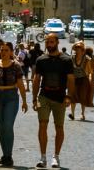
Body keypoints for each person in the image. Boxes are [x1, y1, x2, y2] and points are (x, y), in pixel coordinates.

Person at [32, 32, 75, 170]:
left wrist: (69, 96)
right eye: (47, 42)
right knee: (42, 125)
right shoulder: (41, 60)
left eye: (51, 42)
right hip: (43, 96)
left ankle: (56, 156)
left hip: (60, 97)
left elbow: (70, 80)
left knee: (59, 127)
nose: (49, 44)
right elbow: (36, 79)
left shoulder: (66, 60)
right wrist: (34, 98)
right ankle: (43, 156)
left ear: (57, 43)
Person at [0, 40, 29, 167]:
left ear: (11, 52)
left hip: (11, 97)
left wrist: (24, 101)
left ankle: (9, 156)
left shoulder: (16, 66)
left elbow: (20, 84)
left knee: (8, 126)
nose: (3, 52)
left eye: (6, 50)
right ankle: (5, 155)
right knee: (1, 127)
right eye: (1, 50)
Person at [69, 42, 93, 120]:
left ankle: (82, 114)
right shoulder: (72, 58)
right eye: (76, 49)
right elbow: (69, 69)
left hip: (83, 80)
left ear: (82, 50)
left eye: (79, 49)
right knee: (72, 97)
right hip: (74, 79)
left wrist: (90, 80)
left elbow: (90, 71)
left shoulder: (87, 59)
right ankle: (72, 114)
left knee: (83, 97)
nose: (78, 50)